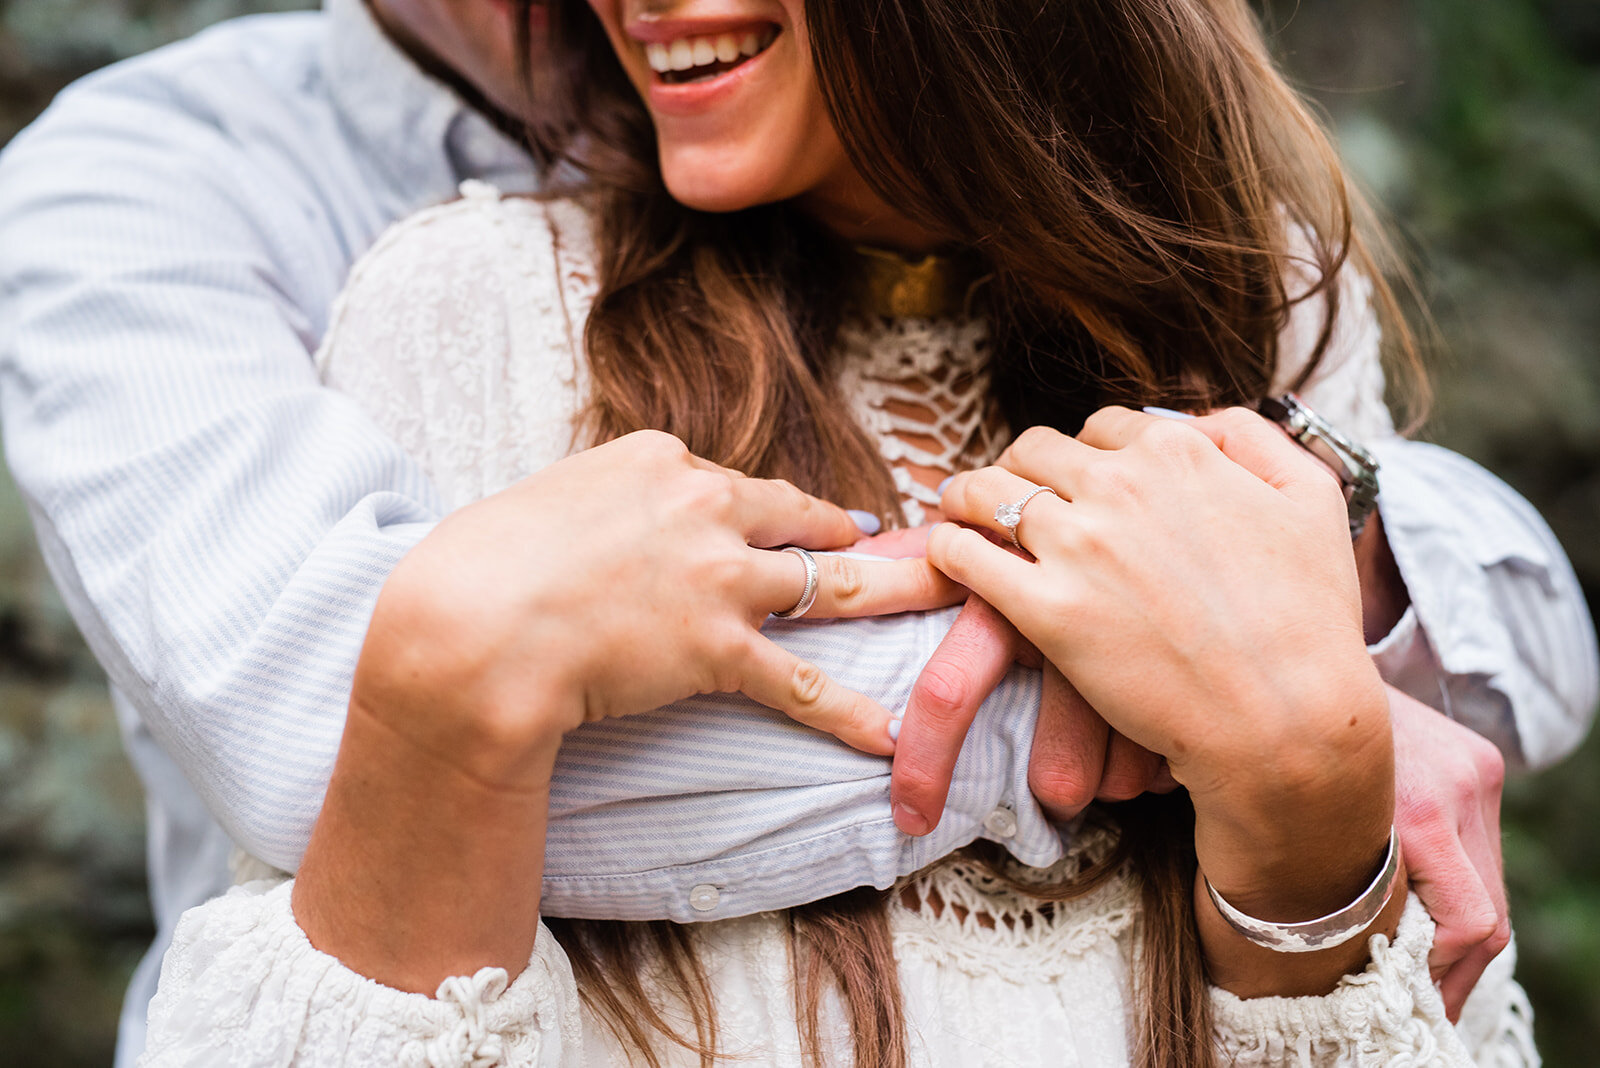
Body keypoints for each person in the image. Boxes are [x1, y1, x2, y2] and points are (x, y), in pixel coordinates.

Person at [0, 0, 1591, 1062]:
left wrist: (1312, 777)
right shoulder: (411, 276)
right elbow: (316, 712)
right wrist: (1134, 691)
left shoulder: (1254, 287)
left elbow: (1458, 710)